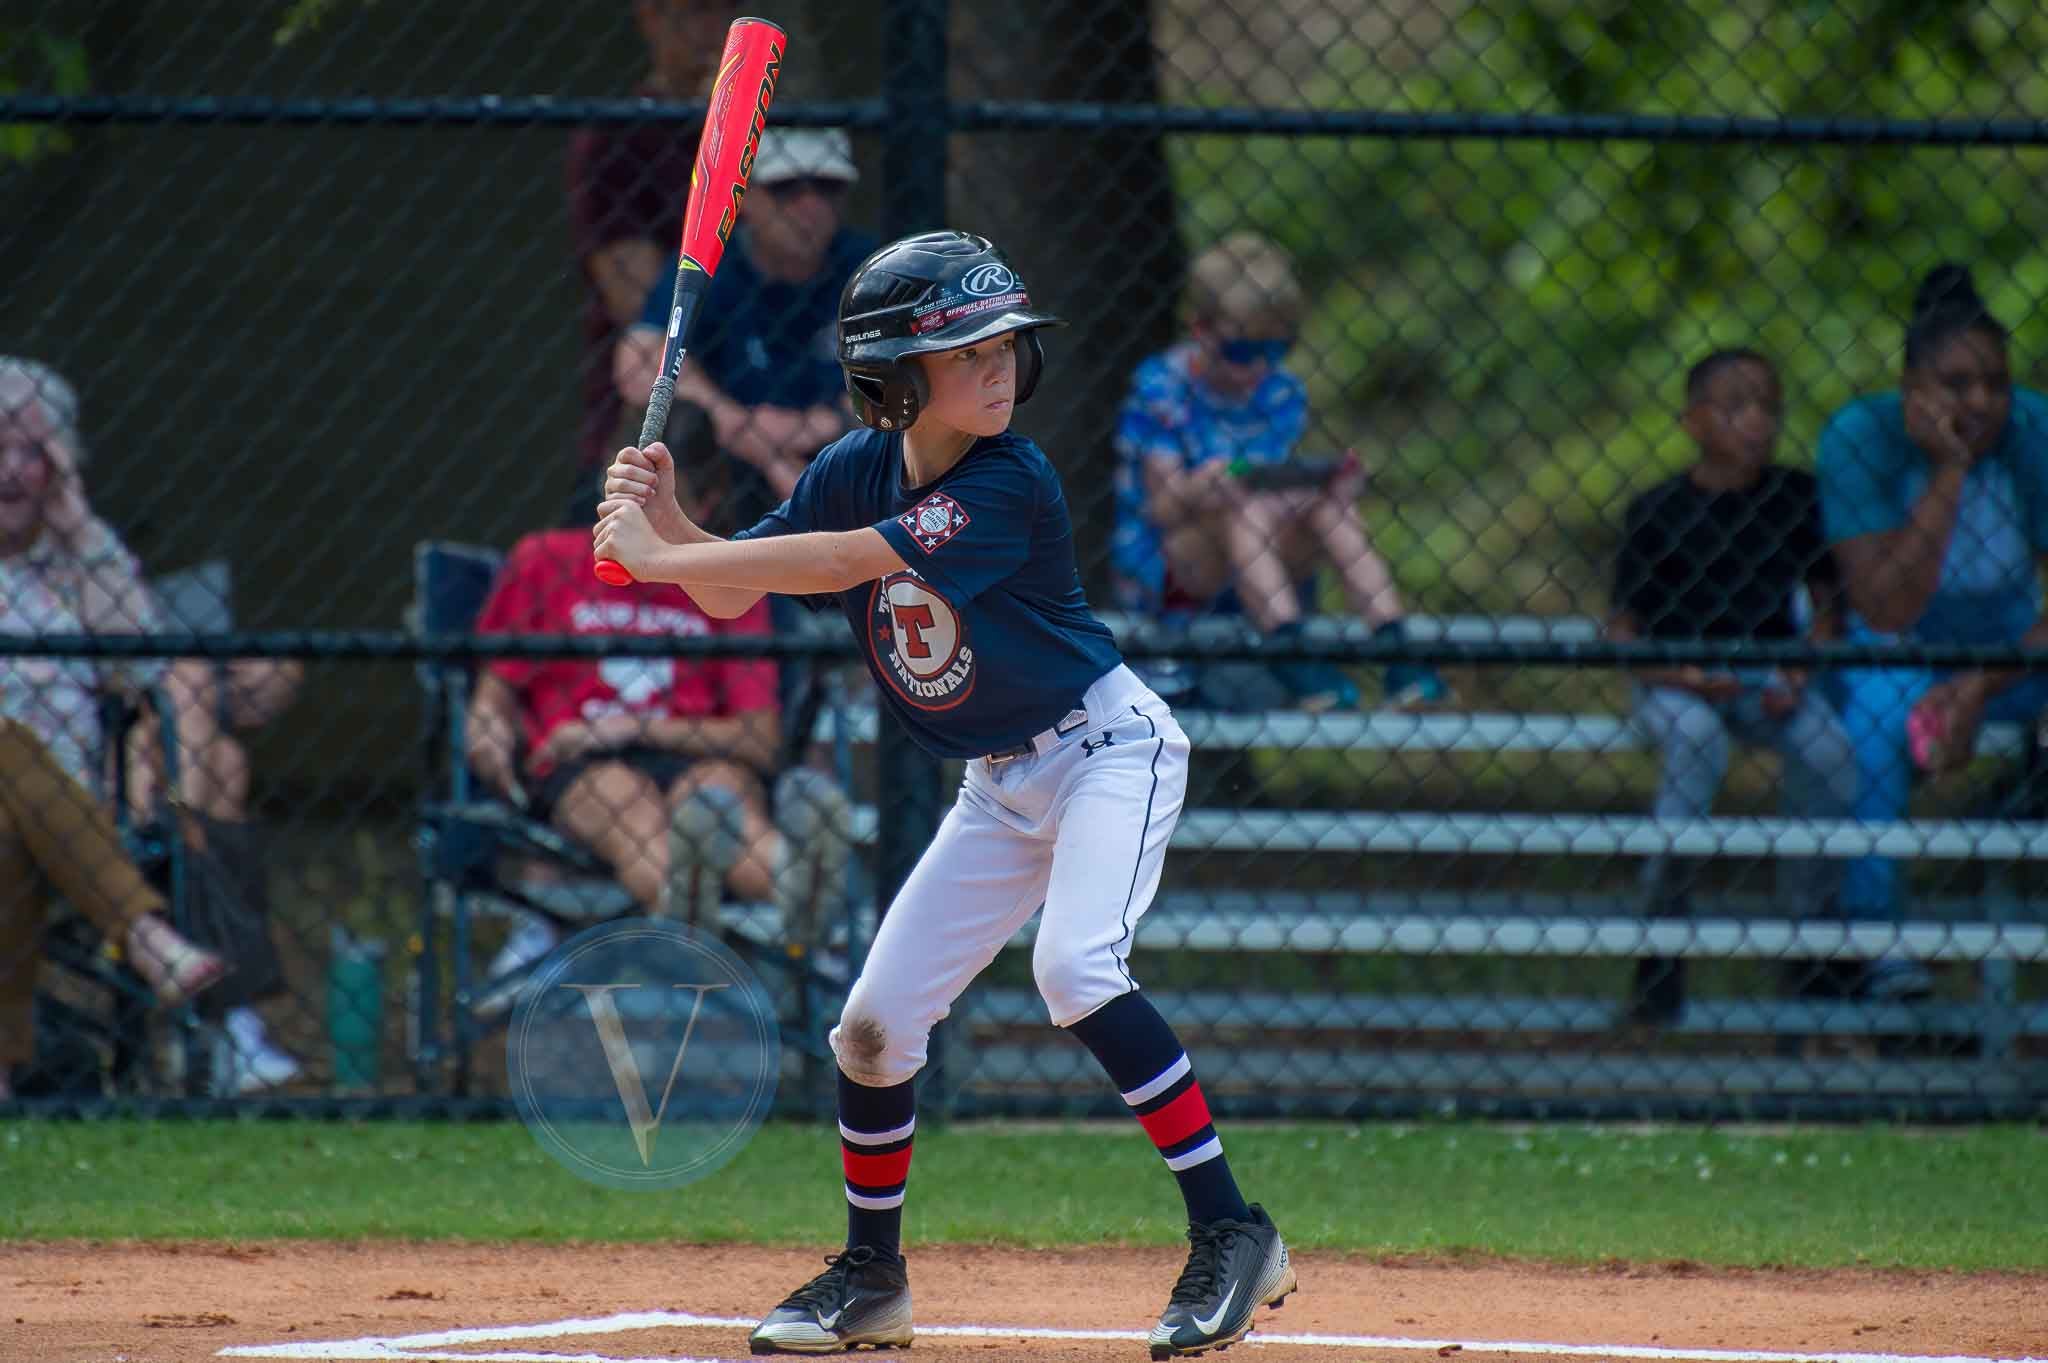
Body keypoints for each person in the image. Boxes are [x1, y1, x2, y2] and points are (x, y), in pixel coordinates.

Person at [596, 231, 1297, 1357]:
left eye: (1006, 344)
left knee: (1073, 968)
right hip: (998, 784)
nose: (998, 366)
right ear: (893, 375)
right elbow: (743, 589)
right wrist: (671, 525)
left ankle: (1234, 1231)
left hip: (1104, 752)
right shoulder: (847, 471)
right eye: (963, 348)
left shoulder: (1007, 478)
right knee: (871, 1029)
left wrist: (658, 555)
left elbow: (836, 567)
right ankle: (873, 1275)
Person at [466, 460, 853, 978]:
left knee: (716, 802)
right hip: (582, 763)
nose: (643, 514)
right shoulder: (545, 560)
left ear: (705, 504)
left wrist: (629, 727)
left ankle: (793, 885)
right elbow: (493, 696)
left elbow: (759, 740)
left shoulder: (727, 579)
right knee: (626, 803)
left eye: (665, 498)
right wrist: (487, 730)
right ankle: (687, 892)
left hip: (698, 754)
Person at [1818, 263, 2048, 999]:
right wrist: (1947, 471)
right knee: (1881, 717)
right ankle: (1881, 942)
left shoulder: (2034, 432)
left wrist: (1982, 683)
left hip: (2012, 649)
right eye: (1956, 384)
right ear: (1912, 387)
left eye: (1995, 383)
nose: (1981, 401)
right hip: (1901, 647)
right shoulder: (1861, 435)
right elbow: (1885, 609)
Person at [0, 362, 228, 1100]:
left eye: (34, 452)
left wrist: (77, 524)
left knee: (7, 825)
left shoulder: (79, 559)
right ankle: (145, 935)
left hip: (75, 809)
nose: (12, 470)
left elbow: (142, 663)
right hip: (49, 798)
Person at [1608, 349, 1857, 1024]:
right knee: (1694, 742)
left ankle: (1812, 938)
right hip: (1676, 675)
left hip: (1765, 673)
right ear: (1692, 420)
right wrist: (1681, 675)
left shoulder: (1795, 497)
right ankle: (1662, 938)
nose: (1757, 422)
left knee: (1829, 750)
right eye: (1735, 406)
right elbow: (1624, 633)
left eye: (1769, 407)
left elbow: (1830, 606)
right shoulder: (1657, 510)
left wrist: (1799, 669)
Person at [1111, 232, 1447, 711]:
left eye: (1278, 349)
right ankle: (1289, 652)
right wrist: (1205, 484)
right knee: (1242, 505)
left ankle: (1395, 647)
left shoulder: (1281, 391)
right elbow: (1161, 507)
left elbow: (1275, 486)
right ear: (1200, 329)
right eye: (1243, 353)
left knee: (1330, 504)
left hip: (1262, 553)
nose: (1258, 370)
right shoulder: (1162, 387)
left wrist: (1319, 482)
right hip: (1177, 563)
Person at [613, 127, 874, 534]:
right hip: (728, 478)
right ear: (747, 197)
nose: (810, 206)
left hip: (842, 466)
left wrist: (829, 424)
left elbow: (917, 376)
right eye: (787, 189)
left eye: (827, 188)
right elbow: (637, 361)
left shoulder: (866, 266)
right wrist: (744, 431)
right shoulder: (712, 262)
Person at [565, 0, 738, 522]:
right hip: (655, 415)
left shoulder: (767, 134)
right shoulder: (618, 137)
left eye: (726, 12)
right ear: (652, 18)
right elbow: (640, 307)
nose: (713, 29)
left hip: (762, 398)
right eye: (696, 12)